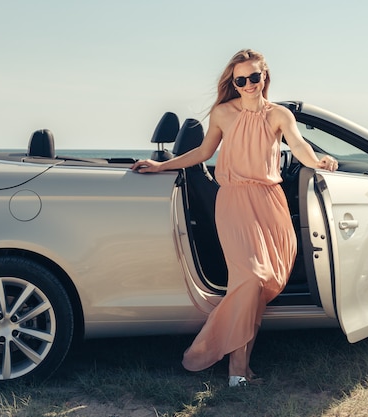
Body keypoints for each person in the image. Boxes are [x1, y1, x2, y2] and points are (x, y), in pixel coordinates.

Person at [131, 49, 338, 387]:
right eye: (240, 80)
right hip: (234, 203)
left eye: (254, 77)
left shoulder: (279, 115)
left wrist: (319, 161)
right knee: (251, 279)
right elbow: (202, 153)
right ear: (234, 82)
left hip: (270, 204)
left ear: (264, 77)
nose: (247, 85)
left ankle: (243, 367)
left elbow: (299, 147)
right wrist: (162, 165)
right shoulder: (223, 113)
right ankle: (234, 370)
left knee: (259, 287)